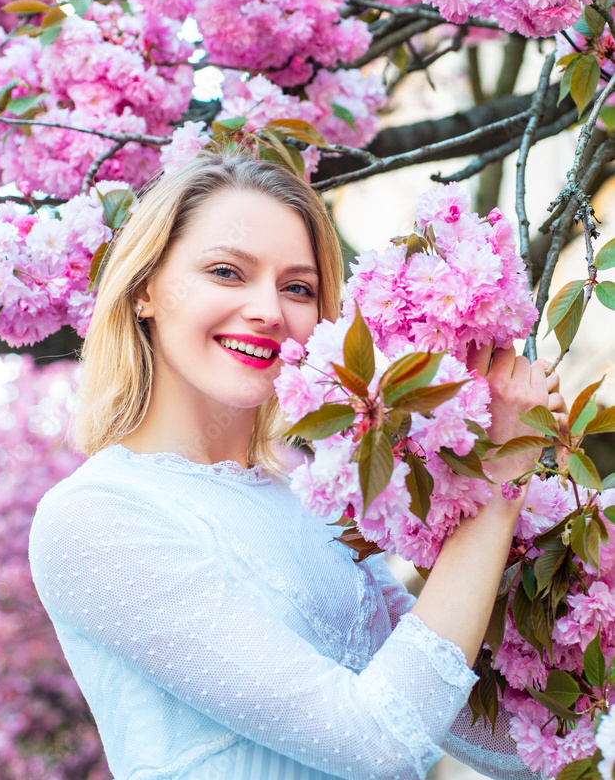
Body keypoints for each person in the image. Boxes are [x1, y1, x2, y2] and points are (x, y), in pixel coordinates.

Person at [28, 151, 564, 780]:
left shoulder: (313, 500)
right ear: (146, 288)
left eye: (298, 288)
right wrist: (498, 480)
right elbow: (380, 744)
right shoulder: (96, 516)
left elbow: (500, 745)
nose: (269, 310)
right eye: (228, 272)